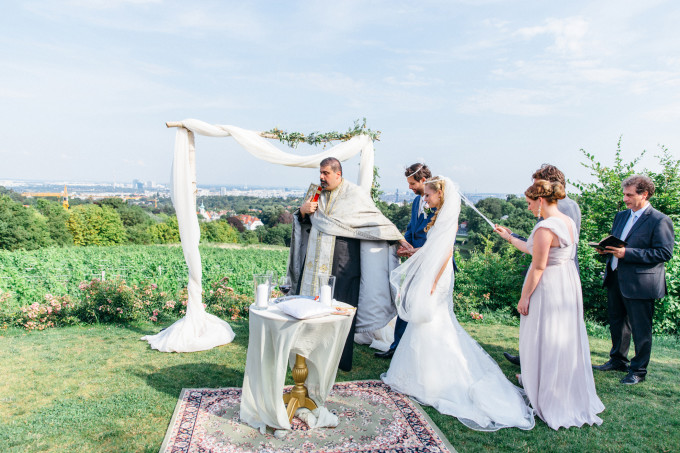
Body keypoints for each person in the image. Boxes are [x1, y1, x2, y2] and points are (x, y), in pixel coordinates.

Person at [382, 176, 535, 431]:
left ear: (440, 194)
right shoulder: (440, 216)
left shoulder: (447, 220)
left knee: (433, 321)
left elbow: (445, 254)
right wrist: (415, 253)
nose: (425, 199)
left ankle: (433, 379)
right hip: (434, 271)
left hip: (437, 275)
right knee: (430, 322)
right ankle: (421, 375)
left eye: (428, 195)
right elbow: (433, 249)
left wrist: (432, 281)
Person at [494, 180, 604, 430]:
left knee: (544, 337)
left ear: (541, 200)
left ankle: (548, 396)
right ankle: (557, 389)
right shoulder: (567, 222)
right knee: (562, 337)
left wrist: (524, 298)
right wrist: (509, 237)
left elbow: (539, 266)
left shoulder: (545, 228)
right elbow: (538, 253)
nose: (530, 208)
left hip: (548, 287)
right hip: (566, 284)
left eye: (530, 203)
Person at [287, 157, 412, 371]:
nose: (321, 177)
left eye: (326, 173)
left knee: (340, 309)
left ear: (338, 174)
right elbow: (304, 220)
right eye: (321, 173)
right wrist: (302, 211)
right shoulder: (315, 192)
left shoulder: (355, 194)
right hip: (314, 260)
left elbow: (375, 220)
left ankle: (337, 359)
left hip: (343, 260)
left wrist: (400, 240)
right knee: (311, 305)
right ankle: (306, 355)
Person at [593, 175, 674, 384]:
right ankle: (618, 360)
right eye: (624, 194)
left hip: (641, 283)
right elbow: (619, 244)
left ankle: (638, 371)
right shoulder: (621, 216)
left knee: (640, 328)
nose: (625, 198)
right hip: (615, 277)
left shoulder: (660, 220)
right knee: (617, 323)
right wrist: (607, 250)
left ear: (644, 194)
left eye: (629, 195)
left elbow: (664, 253)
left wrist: (627, 254)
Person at [499, 164, 581, 367]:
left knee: (545, 328)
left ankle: (539, 372)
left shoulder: (551, 219)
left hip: (549, 277)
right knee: (559, 329)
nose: (529, 204)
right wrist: (511, 238)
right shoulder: (569, 214)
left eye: (536, 189)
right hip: (566, 275)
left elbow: (538, 260)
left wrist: (524, 297)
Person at [375, 163, 434, 360]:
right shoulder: (417, 202)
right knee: (405, 302)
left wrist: (418, 251)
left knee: (424, 307)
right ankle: (397, 346)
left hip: (430, 261)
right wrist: (405, 246)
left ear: (424, 181)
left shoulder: (439, 203)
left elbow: (439, 237)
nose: (410, 188)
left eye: (412, 184)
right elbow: (411, 227)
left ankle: (421, 350)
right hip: (413, 260)